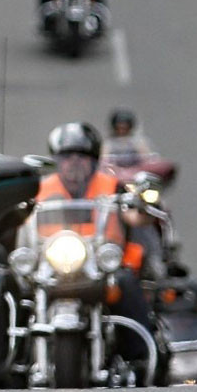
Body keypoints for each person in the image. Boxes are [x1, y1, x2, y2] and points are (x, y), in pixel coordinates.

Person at [36, 122, 158, 366]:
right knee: (12, 286)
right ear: (56, 160)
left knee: (125, 282)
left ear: (94, 161)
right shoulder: (40, 189)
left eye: (82, 156)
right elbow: (21, 217)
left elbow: (135, 214)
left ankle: (139, 357)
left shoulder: (112, 187)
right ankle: (9, 355)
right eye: (67, 156)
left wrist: (142, 209)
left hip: (101, 266)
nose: (74, 162)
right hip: (51, 265)